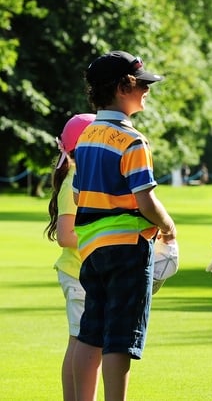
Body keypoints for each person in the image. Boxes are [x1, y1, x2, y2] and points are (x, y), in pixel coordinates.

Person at [71, 50, 177, 401]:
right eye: (142, 85)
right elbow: (145, 200)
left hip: (91, 248)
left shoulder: (85, 137)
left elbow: (76, 197)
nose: (147, 91)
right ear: (123, 87)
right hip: (128, 245)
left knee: (91, 331)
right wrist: (167, 225)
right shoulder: (133, 140)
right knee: (121, 335)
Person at [44, 113, 97, 401]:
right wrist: (107, 240)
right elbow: (66, 236)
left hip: (86, 274)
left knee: (84, 342)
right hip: (78, 275)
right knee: (83, 342)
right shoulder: (74, 180)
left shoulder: (86, 177)